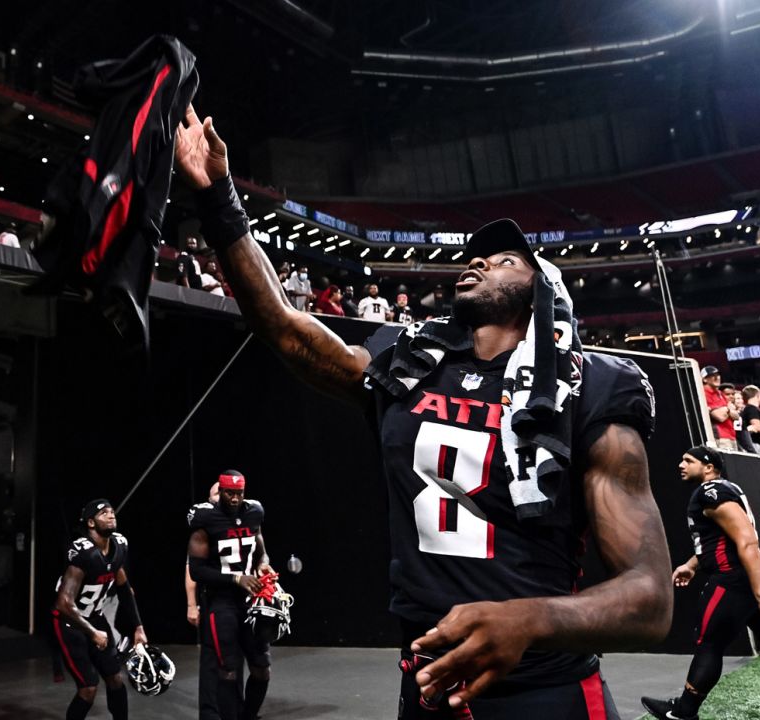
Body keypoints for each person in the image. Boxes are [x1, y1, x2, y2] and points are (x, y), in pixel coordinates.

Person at [173, 104, 672, 717]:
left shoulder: (588, 386)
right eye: (477, 259)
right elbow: (286, 329)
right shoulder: (409, 367)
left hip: (542, 691)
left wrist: (530, 620)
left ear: (543, 296)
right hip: (428, 686)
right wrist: (219, 199)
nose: (480, 262)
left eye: (505, 261)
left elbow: (651, 600)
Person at [640, 447, 760, 720]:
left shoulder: (710, 492)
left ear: (708, 467)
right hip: (749, 577)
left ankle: (683, 712)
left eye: (688, 460)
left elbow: (746, 541)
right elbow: (723, 540)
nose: (680, 464)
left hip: (734, 581)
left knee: (709, 645)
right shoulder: (724, 489)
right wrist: (693, 565)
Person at [187, 471, 273, 720]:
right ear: (220, 492)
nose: (235, 499)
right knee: (228, 669)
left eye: (239, 493)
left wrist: (263, 564)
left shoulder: (254, 512)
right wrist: (236, 578)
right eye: (229, 493)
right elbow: (196, 570)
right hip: (221, 601)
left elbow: (260, 549)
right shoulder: (206, 519)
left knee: (261, 668)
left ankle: (247, 715)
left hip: (250, 600)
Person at [53, 499, 149, 720]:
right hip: (69, 622)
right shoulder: (83, 552)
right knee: (88, 688)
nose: (111, 515)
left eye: (112, 512)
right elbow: (64, 603)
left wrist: (138, 627)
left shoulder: (118, 547)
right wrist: (93, 633)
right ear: (90, 523)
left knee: (115, 679)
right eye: (104, 513)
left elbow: (125, 589)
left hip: (95, 617)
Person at [185, 482, 224, 719]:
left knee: (234, 656)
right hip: (213, 599)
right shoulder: (204, 526)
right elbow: (191, 569)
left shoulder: (243, 520)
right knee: (211, 658)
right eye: (217, 492)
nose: (223, 495)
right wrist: (191, 604)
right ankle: (209, 712)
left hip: (237, 600)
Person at [701, 366, 739, 451]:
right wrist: (728, 409)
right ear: (705, 379)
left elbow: (736, 416)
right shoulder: (703, 393)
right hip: (720, 437)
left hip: (731, 436)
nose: (717, 377)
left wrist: (725, 410)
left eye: (718, 375)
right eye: (712, 375)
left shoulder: (720, 393)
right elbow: (719, 417)